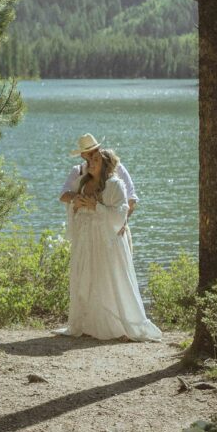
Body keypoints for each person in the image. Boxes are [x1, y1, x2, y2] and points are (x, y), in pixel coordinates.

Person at [57, 145, 161, 342]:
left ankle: (116, 324)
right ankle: (89, 323)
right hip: (86, 239)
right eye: (89, 160)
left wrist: (97, 207)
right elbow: (68, 201)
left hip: (108, 240)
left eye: (95, 160)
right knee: (87, 278)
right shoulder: (81, 181)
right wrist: (76, 205)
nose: (90, 163)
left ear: (105, 165)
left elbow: (121, 212)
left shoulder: (115, 184)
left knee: (109, 277)